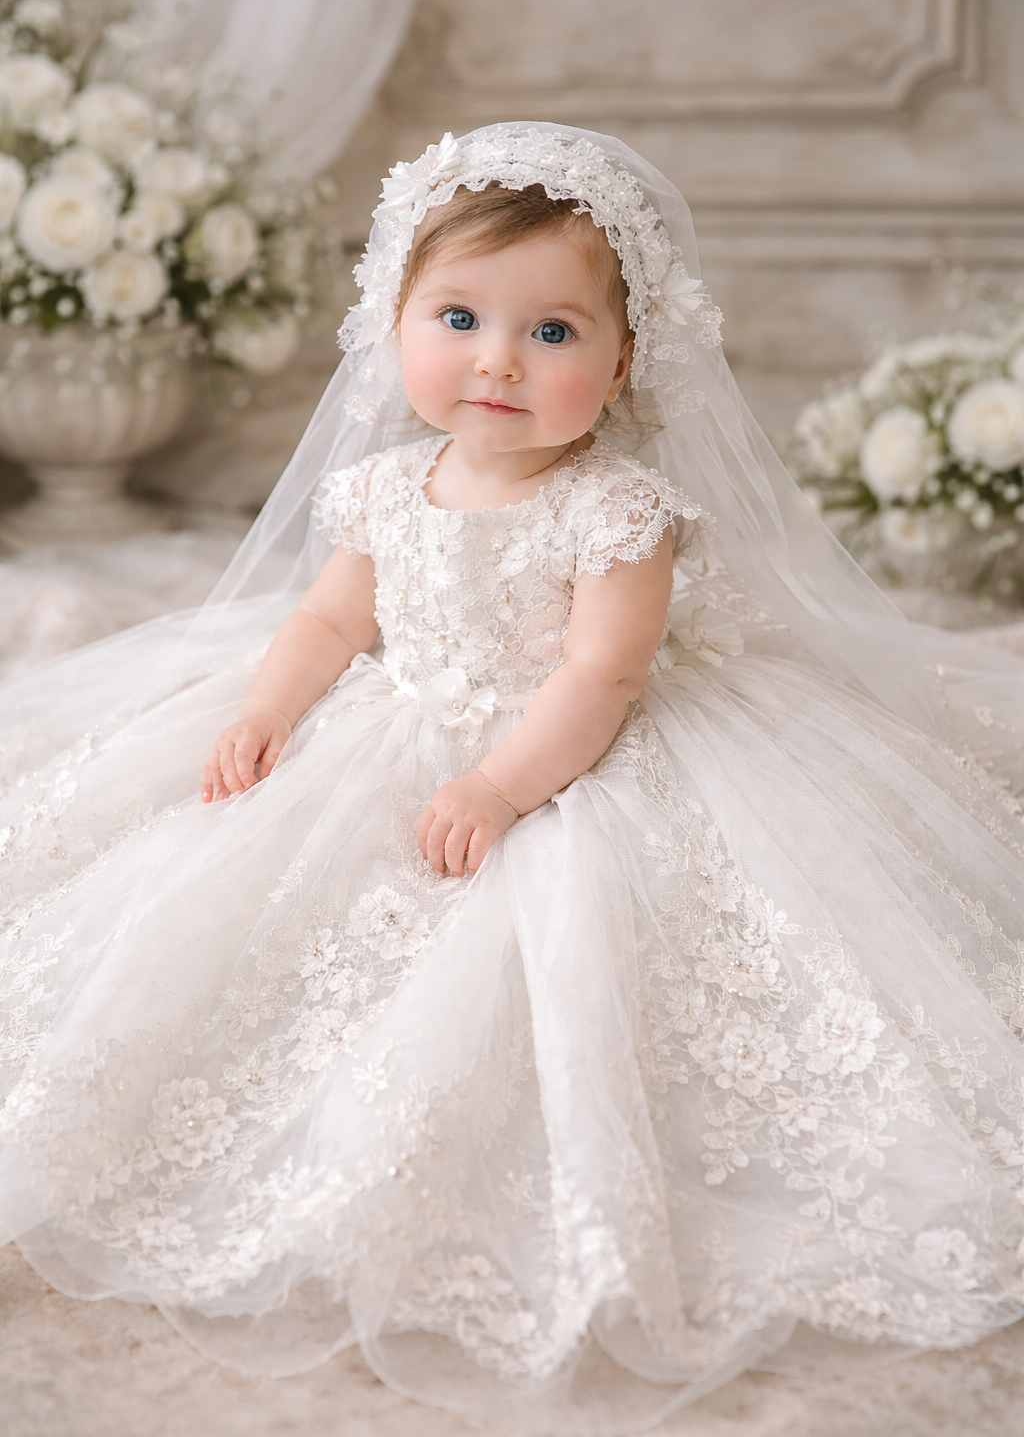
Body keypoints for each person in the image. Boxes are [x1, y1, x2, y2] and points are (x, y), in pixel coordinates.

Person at [2, 123, 1024, 1436]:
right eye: (462, 316)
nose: (498, 358)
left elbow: (600, 679)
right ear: (393, 323)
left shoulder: (619, 512)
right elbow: (326, 624)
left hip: (561, 744)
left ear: (626, 362)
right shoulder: (385, 488)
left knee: (597, 953)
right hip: (396, 719)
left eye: (552, 332)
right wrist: (269, 708)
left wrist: (493, 789)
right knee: (221, 911)